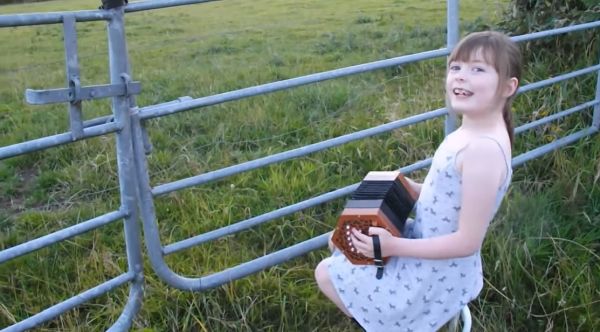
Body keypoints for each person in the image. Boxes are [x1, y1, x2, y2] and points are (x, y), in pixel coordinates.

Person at [314, 31, 521, 332]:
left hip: (434, 275)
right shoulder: (473, 132)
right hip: (427, 245)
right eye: (456, 67)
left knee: (325, 273)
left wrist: (393, 245)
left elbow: (467, 242)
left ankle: (388, 323)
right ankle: (381, 317)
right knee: (339, 241)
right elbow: (456, 196)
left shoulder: (484, 150)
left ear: (508, 87)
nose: (461, 77)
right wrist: (415, 189)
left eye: (478, 69)